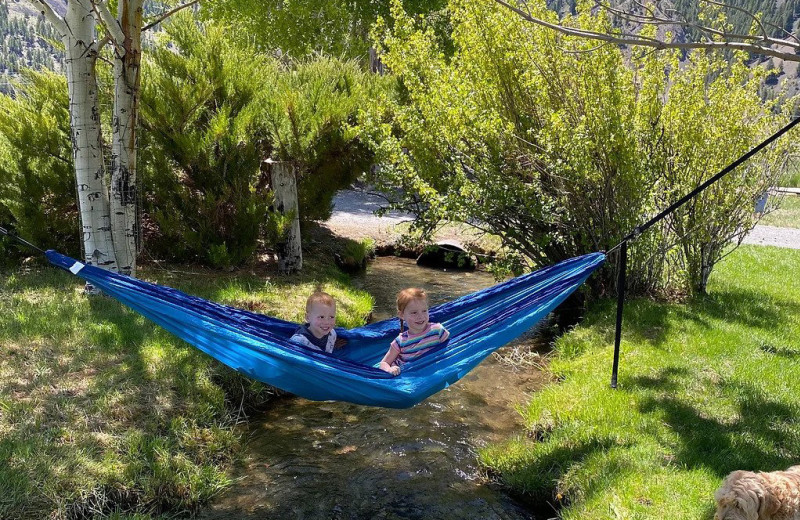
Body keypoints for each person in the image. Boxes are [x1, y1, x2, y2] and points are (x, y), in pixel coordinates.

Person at [379, 288, 449, 376]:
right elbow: (384, 363)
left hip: (427, 373)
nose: (421, 316)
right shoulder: (400, 341)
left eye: (424, 311)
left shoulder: (437, 330)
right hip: (405, 376)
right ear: (401, 315)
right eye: (414, 312)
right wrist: (390, 369)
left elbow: (452, 346)